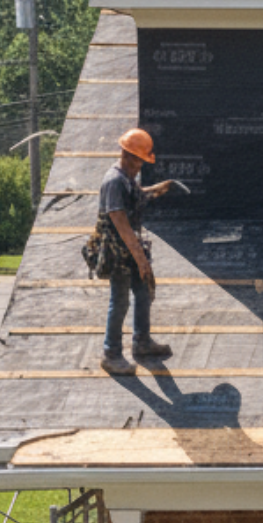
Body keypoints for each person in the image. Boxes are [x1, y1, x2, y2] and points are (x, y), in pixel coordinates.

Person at [98, 128, 175, 375]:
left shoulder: (126, 178)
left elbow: (136, 195)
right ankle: (111, 354)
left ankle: (142, 341)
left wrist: (155, 190)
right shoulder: (113, 181)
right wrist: (140, 258)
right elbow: (120, 222)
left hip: (130, 247)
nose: (141, 166)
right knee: (119, 300)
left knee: (143, 293)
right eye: (139, 160)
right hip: (117, 251)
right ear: (127, 155)